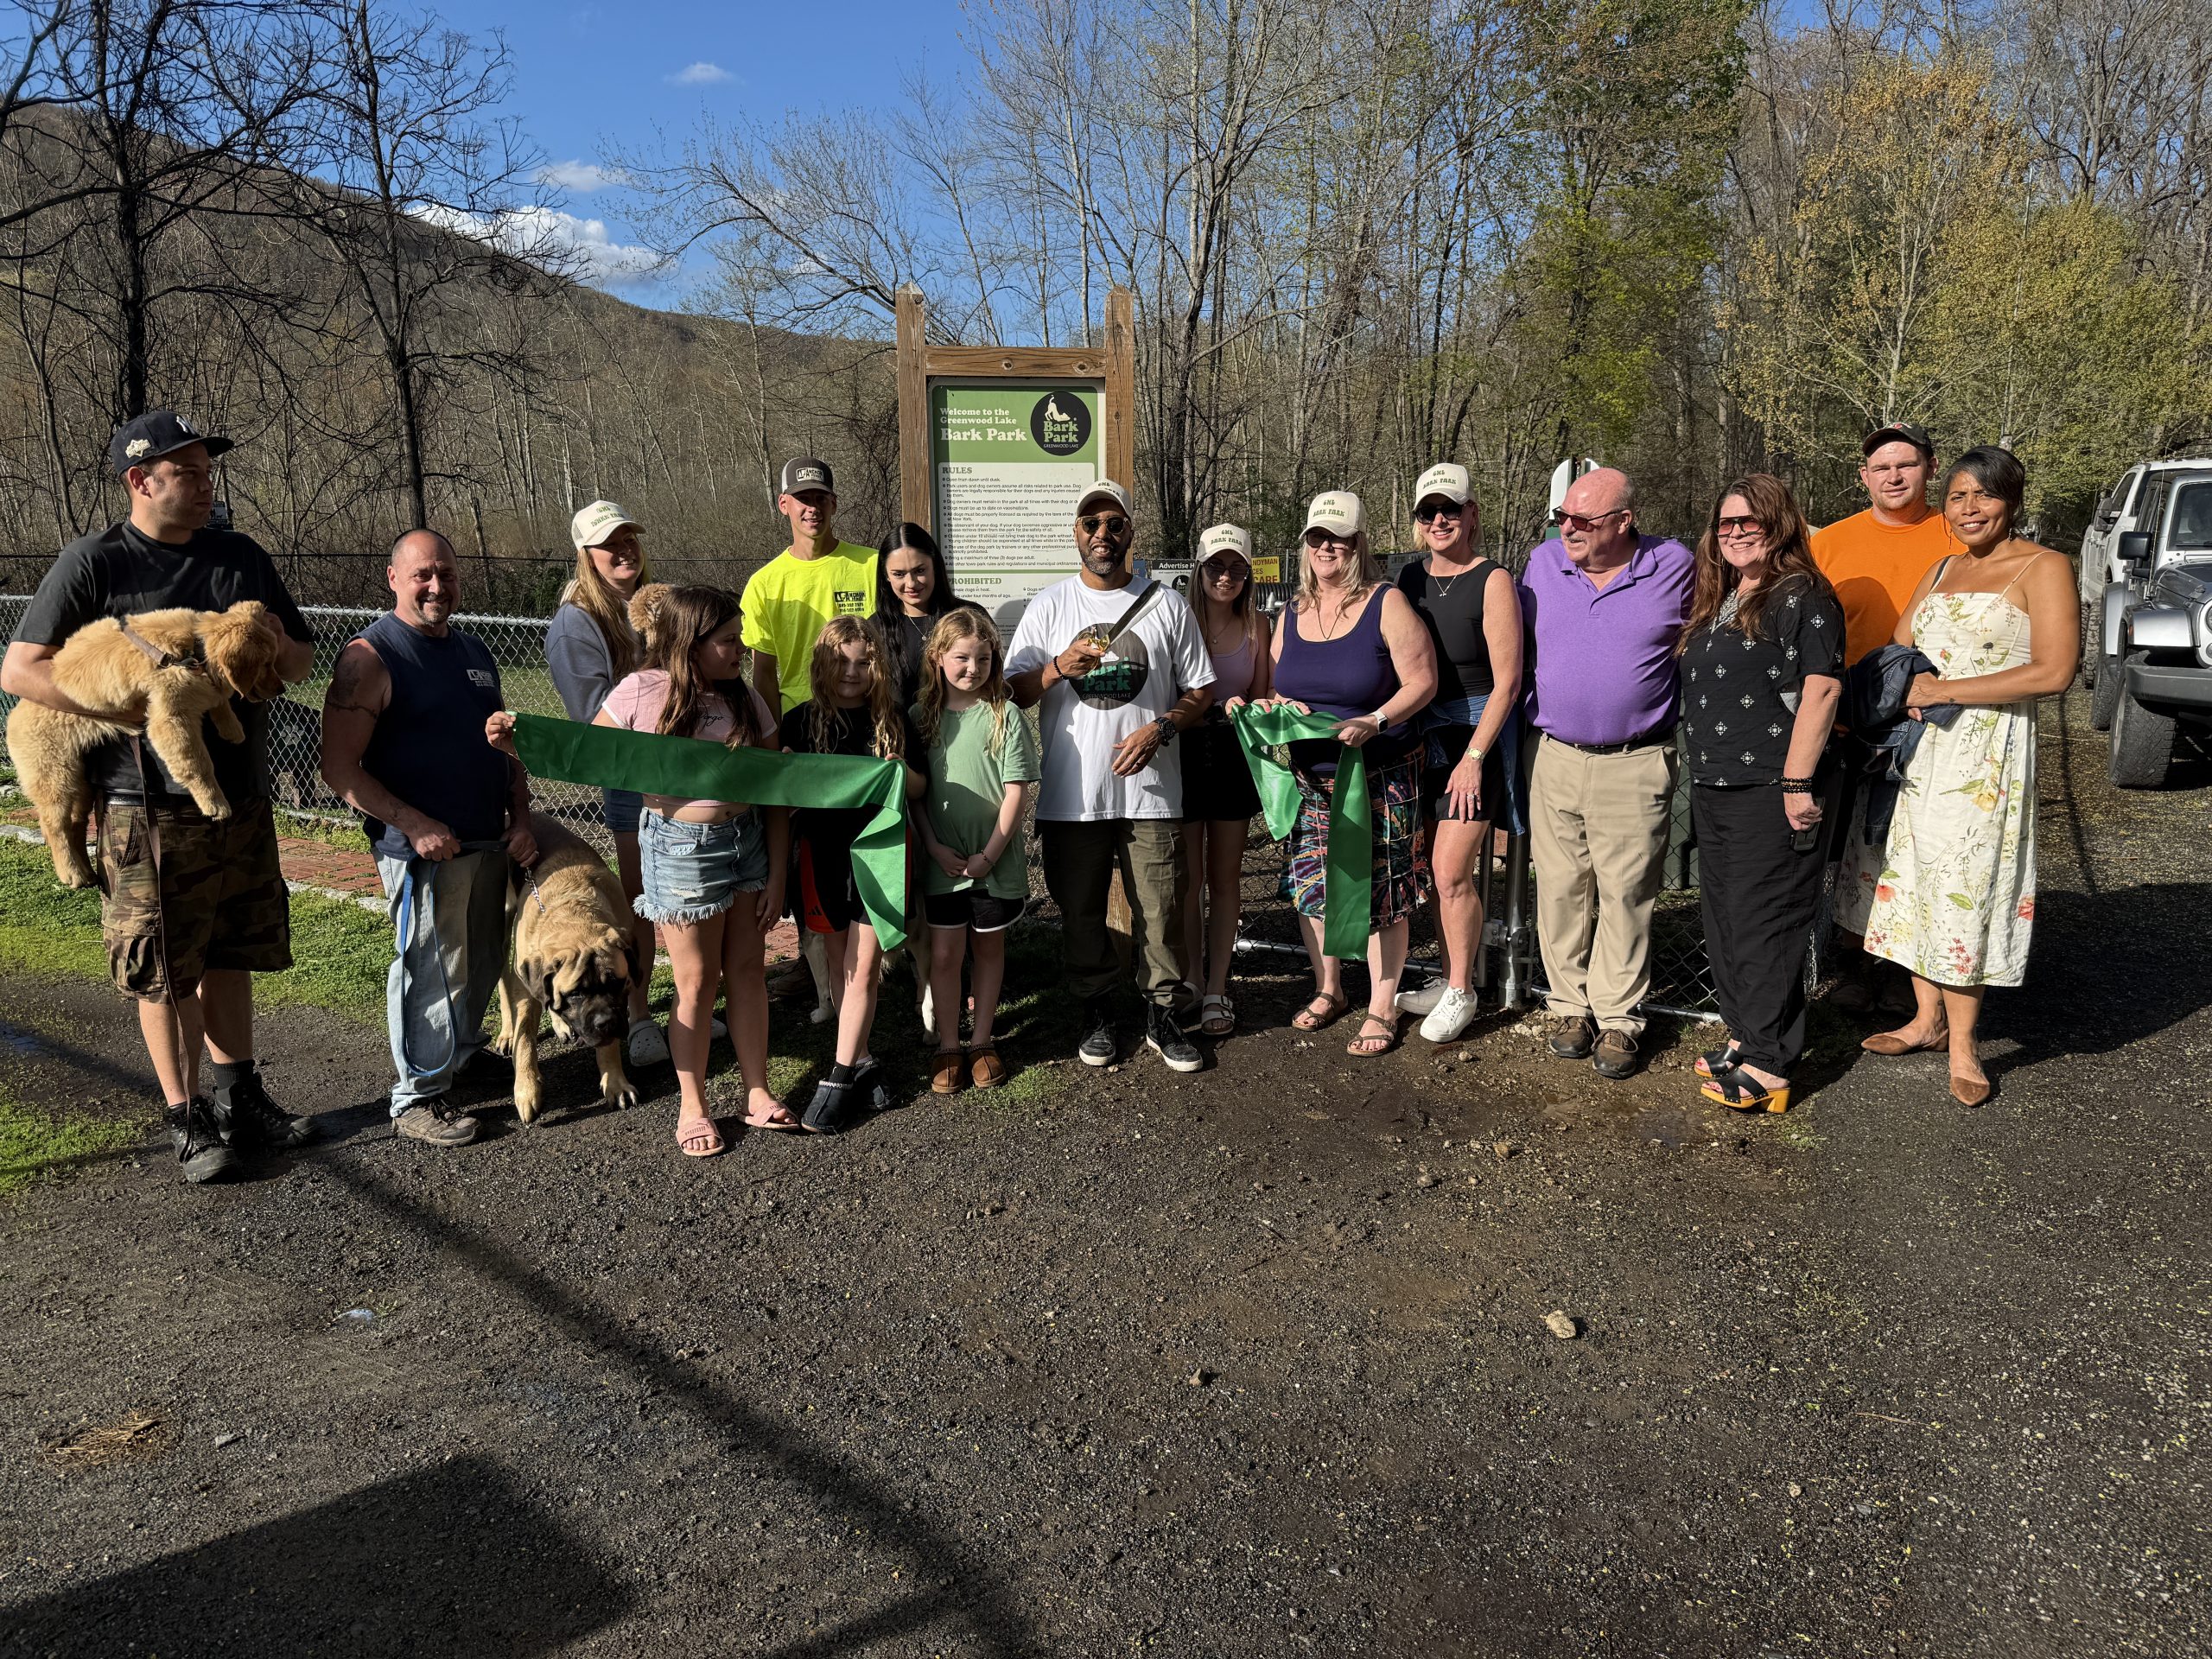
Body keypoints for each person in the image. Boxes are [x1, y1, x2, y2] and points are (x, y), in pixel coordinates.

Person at [2, 410, 318, 1182]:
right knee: (165, 965)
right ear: (141, 481)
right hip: (144, 804)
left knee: (232, 953)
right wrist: (123, 707)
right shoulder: (93, 563)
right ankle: (187, 1117)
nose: (208, 486)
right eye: (191, 473)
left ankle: (242, 1096)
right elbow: (20, 670)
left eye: (210, 472)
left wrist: (278, 647)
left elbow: (305, 658)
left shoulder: (240, 557)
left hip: (240, 796)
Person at [1851, 447, 2077, 1106]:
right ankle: (1924, 1021)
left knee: (1966, 885)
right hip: (1919, 748)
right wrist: (1914, 685)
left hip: (1984, 753)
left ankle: (1963, 1045)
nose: (1969, 507)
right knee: (1914, 876)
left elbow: (2054, 671)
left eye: (1984, 495)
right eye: (1957, 496)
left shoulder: (2043, 566)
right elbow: (1902, 638)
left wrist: (1951, 687)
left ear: (2012, 501)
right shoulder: (1942, 567)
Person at [321, 531, 537, 1148]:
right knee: (430, 968)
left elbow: (506, 747)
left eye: (446, 574)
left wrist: (519, 817)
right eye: (422, 575)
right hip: (422, 853)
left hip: (488, 842)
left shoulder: (473, 650)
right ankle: (418, 1095)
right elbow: (339, 769)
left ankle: (459, 1059)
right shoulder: (371, 657)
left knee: (483, 958)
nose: (437, 586)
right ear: (393, 578)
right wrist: (413, 825)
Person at [1007, 480, 1215, 1073]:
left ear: (1130, 531)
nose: (1103, 535)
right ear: (1076, 532)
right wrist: (1055, 668)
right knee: (1080, 909)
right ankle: (1095, 1010)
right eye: (1091, 523)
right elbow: (1011, 690)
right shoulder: (1049, 605)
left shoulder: (1167, 604)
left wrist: (1162, 729)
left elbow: (1200, 689)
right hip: (1074, 795)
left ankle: (1163, 1013)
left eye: (1114, 523)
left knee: (1162, 907)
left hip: (1152, 791)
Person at [588, 584, 793, 1154]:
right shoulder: (640, 691)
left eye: (741, 637)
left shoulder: (746, 699)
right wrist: (518, 743)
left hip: (747, 846)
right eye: (729, 640)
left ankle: (757, 1094)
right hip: (682, 850)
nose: (742, 648)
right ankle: (693, 1108)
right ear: (690, 642)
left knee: (749, 973)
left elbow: (776, 789)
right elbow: (586, 751)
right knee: (696, 982)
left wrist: (776, 874)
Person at [1518, 467, 1694, 1081]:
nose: (1568, 528)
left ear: (1625, 521)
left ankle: (1619, 1016)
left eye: (1585, 520)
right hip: (1555, 753)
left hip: (1635, 758)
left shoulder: (1675, 565)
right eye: (1564, 516)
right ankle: (1569, 1005)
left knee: (1626, 893)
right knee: (1562, 887)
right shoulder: (1542, 565)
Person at [1680, 477, 1846, 1115]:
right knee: (1726, 920)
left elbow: (1822, 691)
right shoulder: (1724, 594)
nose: (1737, 532)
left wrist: (1798, 783)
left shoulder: (1803, 594)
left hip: (1775, 787)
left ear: (1779, 525)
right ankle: (1747, 1036)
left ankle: (1773, 1063)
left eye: (1750, 521)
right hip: (1719, 779)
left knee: (1767, 921)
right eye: (1726, 524)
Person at [1256, 491, 1437, 1058]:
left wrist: (1377, 719)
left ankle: (1382, 1004)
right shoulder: (1292, 611)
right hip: (1313, 779)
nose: (1326, 546)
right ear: (1305, 546)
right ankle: (1329, 988)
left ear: (1358, 543)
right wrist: (1275, 708)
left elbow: (1423, 682)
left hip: (1380, 775)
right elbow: (1279, 686)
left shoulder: (1386, 604)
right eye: (1316, 537)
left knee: (1384, 892)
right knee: (1314, 887)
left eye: (1338, 537)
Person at [1811, 422, 1962, 1015]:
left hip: (1931, 717)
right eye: (1881, 467)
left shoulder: (1958, 534)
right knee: (1853, 850)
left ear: (1929, 469)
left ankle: (1906, 970)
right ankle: (1852, 961)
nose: (1894, 476)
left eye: (1906, 465)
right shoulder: (1833, 543)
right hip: (1849, 718)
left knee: (1914, 848)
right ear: (1864, 476)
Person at [1390, 462, 1524, 1045]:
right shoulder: (1407, 579)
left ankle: (1465, 990)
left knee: (1451, 873)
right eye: (1428, 511)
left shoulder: (1493, 580)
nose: (1439, 520)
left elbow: (1509, 682)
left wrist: (1474, 757)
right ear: (1417, 523)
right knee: (1432, 873)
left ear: (1472, 515)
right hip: (1421, 737)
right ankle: (1447, 980)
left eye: (1450, 509)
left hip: (1475, 739)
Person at [781, 617, 929, 1130]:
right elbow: (785, 799)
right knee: (840, 959)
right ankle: (864, 1060)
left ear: (877, 667)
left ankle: (839, 1075)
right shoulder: (800, 723)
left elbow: (918, 791)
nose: (850, 672)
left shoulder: (892, 719)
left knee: (866, 966)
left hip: (880, 856)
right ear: (821, 664)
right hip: (822, 856)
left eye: (862, 662)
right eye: (839, 661)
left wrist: (897, 768)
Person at [545, 499, 668, 1066]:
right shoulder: (578, 620)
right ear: (586, 556)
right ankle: (639, 1015)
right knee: (641, 897)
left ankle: (687, 1001)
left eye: (629, 538)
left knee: (681, 892)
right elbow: (594, 717)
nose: (623, 550)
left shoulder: (657, 602)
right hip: (629, 773)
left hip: (677, 766)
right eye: (608, 543)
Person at [913, 609, 1039, 1092]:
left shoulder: (1005, 717)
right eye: (961, 657)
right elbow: (916, 794)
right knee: (945, 955)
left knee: (989, 948)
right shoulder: (918, 718)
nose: (972, 667)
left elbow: (1015, 793)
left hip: (993, 863)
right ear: (938, 657)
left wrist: (988, 855)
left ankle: (983, 1040)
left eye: (983, 658)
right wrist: (932, 845)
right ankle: (949, 1044)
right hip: (942, 862)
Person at [1179, 524, 1272, 1038]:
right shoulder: (1179, 618)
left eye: (1238, 567)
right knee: (1189, 881)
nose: (1227, 576)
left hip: (1235, 760)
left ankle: (1218, 985)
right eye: (1217, 565)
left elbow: (1262, 699)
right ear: (1200, 568)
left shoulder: (1259, 625)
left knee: (1225, 880)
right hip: (1186, 757)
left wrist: (1248, 709)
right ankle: (1192, 980)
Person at [741, 456, 876, 728]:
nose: (813, 508)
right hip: (800, 721)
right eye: (803, 498)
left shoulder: (872, 565)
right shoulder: (764, 583)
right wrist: (774, 737)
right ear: (783, 504)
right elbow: (764, 675)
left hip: (867, 716)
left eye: (821, 498)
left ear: (834, 504)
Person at [876, 521, 987, 711]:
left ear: (934, 565)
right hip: (902, 738)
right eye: (899, 574)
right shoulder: (875, 628)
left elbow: (993, 682)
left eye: (920, 571)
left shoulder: (970, 618)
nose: (911, 583)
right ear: (886, 576)